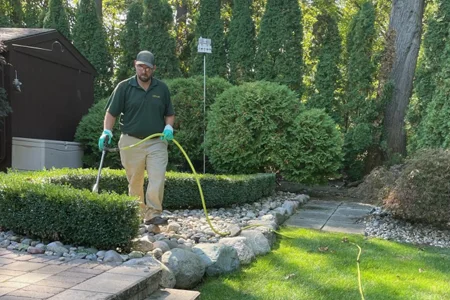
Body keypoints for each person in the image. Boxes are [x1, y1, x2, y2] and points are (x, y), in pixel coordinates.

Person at [98, 50, 175, 225]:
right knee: (135, 180)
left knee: (157, 176)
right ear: (135, 65)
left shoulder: (161, 88)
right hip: (131, 141)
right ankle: (138, 213)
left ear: (153, 68)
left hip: (157, 141)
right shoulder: (124, 87)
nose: (144, 71)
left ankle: (153, 213)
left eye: (148, 68)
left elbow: (169, 114)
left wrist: (169, 126)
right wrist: (106, 131)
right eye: (141, 67)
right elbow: (111, 113)